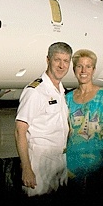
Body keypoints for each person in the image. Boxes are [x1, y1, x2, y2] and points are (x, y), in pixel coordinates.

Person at [15, 41, 73, 197]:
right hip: (40, 162)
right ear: (48, 60)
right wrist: (27, 168)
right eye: (57, 60)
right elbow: (20, 131)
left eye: (66, 61)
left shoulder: (61, 90)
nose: (62, 65)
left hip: (60, 160)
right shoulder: (35, 91)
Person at [65, 49, 103, 188]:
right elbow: (64, 134)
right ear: (74, 69)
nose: (83, 70)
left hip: (99, 165)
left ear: (94, 70)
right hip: (71, 166)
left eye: (88, 66)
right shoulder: (67, 99)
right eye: (79, 66)